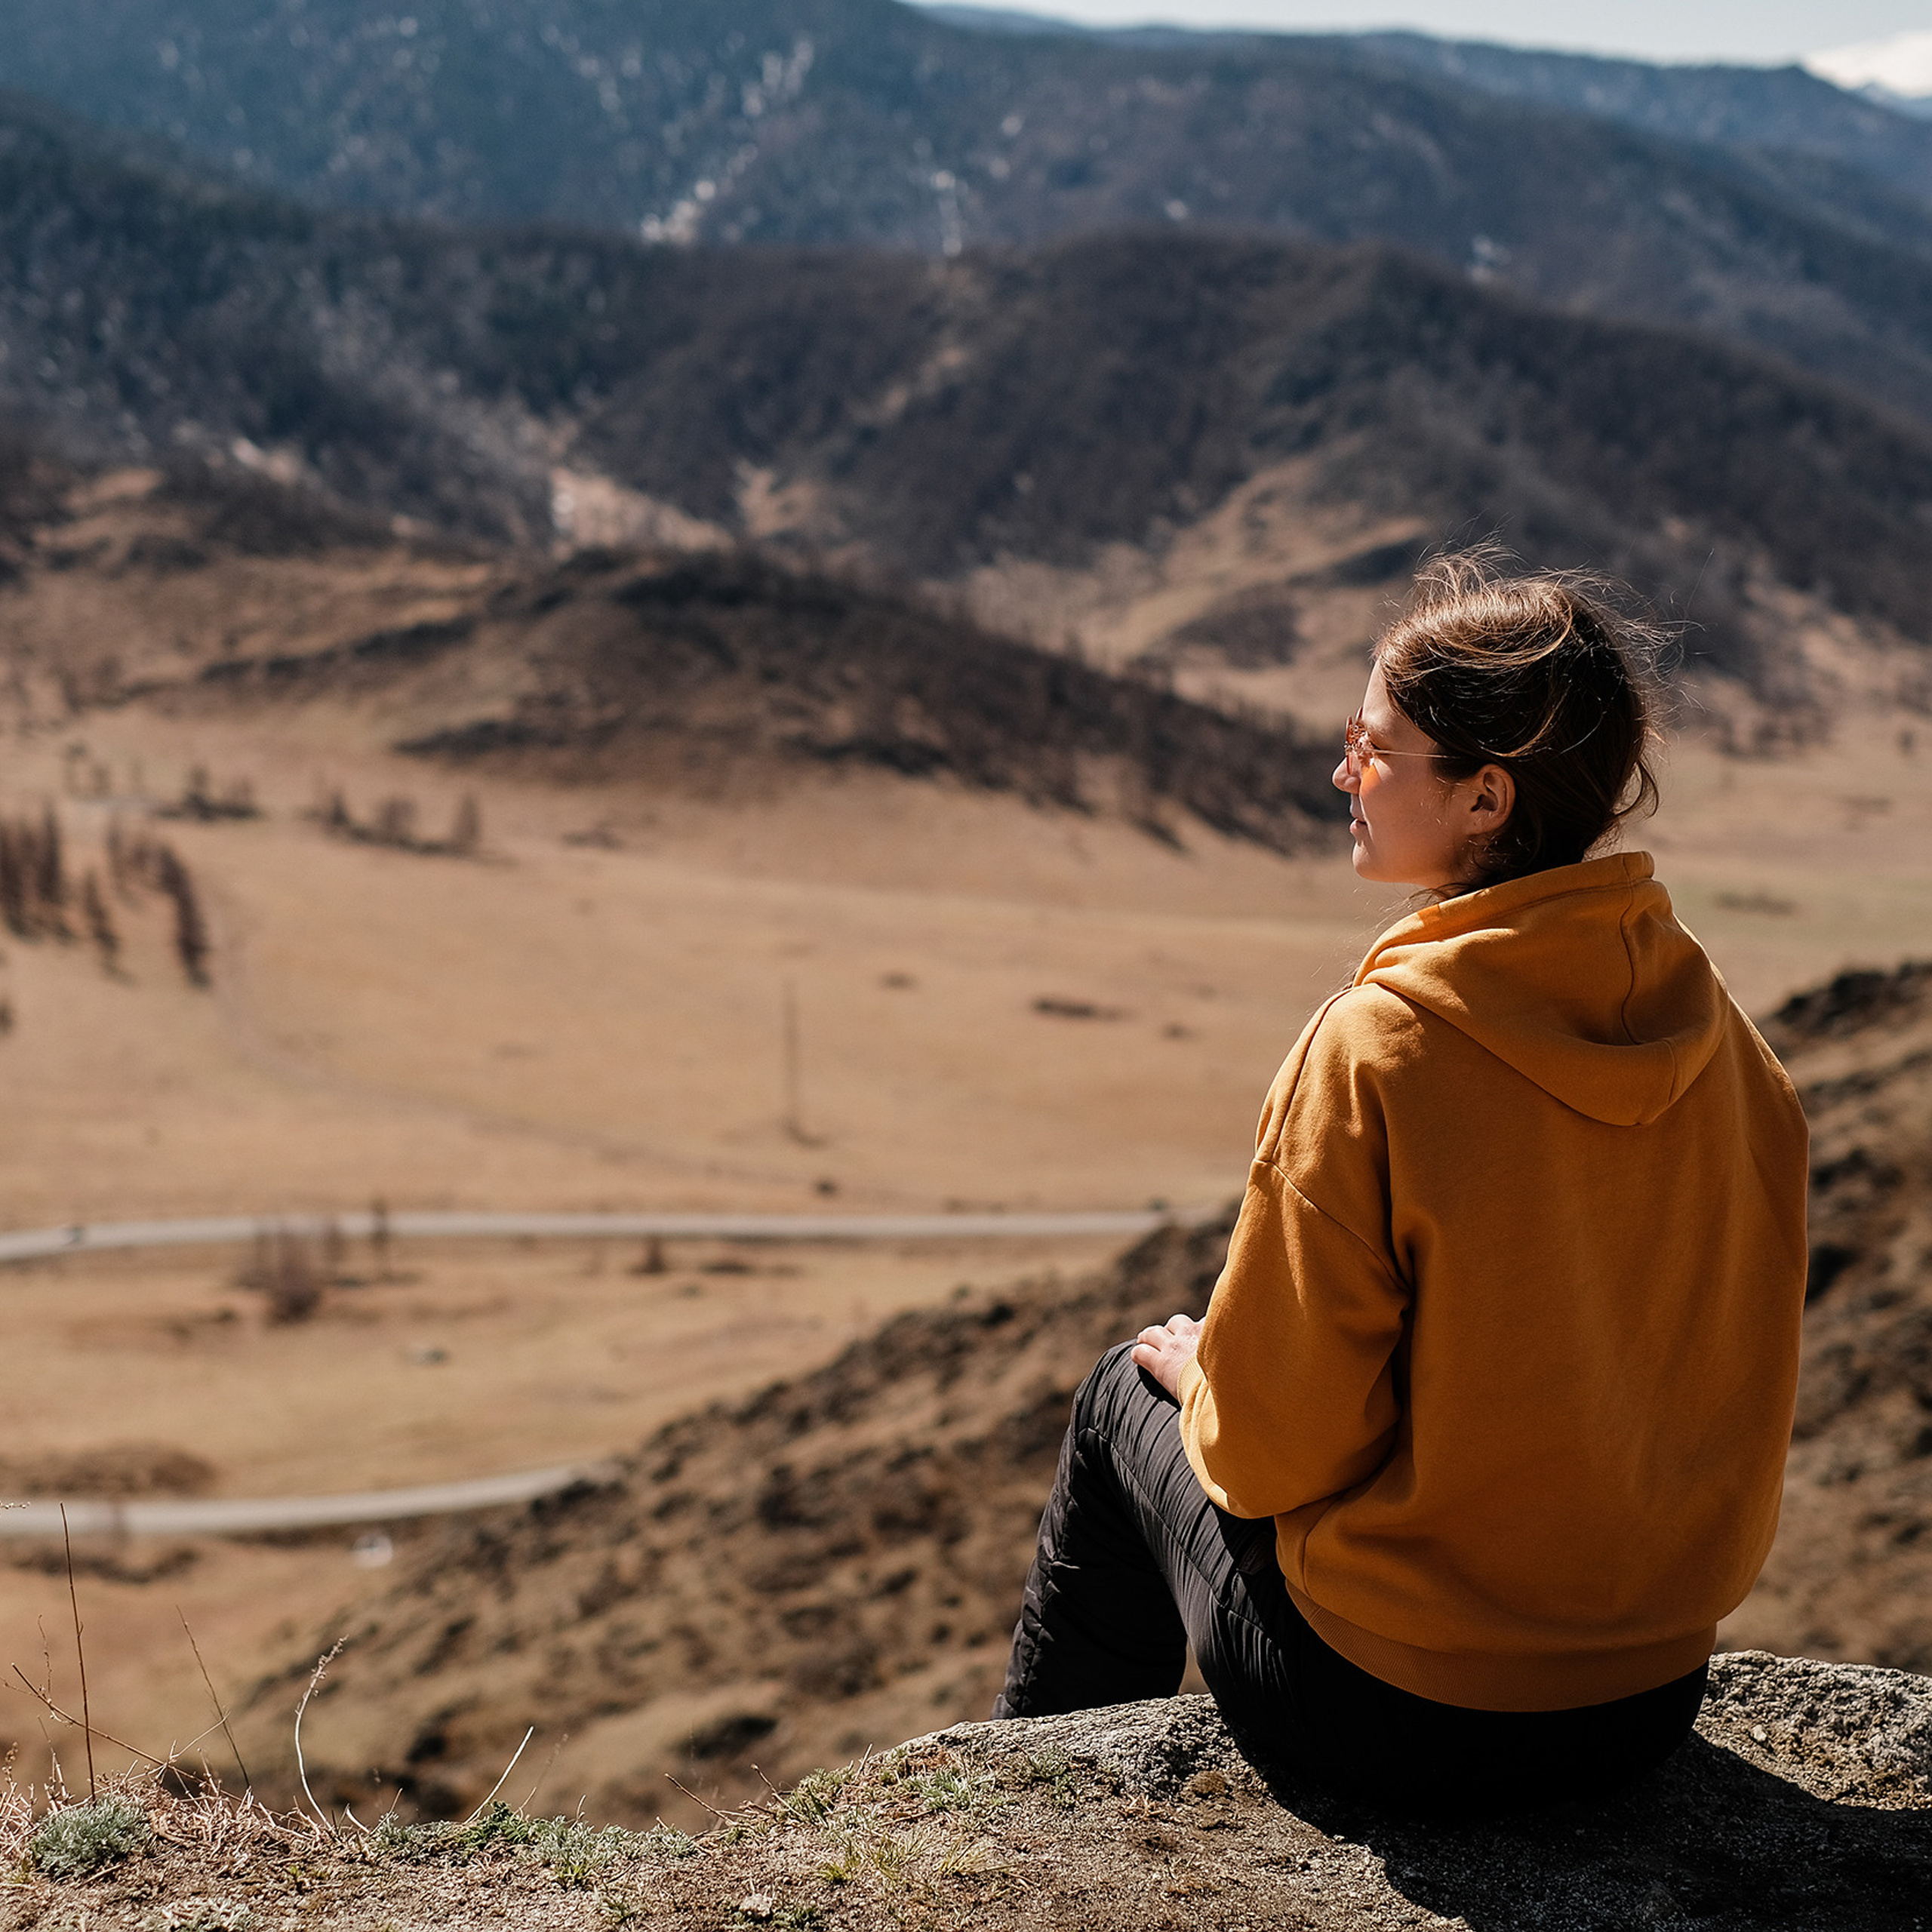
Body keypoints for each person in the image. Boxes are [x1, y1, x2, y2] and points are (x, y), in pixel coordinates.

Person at [992, 555, 1810, 1815]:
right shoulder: (1724, 1038)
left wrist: (1210, 1374)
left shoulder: (1379, 1051)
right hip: (1645, 1702)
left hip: (1402, 1718)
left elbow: (1268, 1457)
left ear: (1488, 797)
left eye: (1373, 748)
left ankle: (1020, 1831)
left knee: (1126, 1393)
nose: (1342, 774)